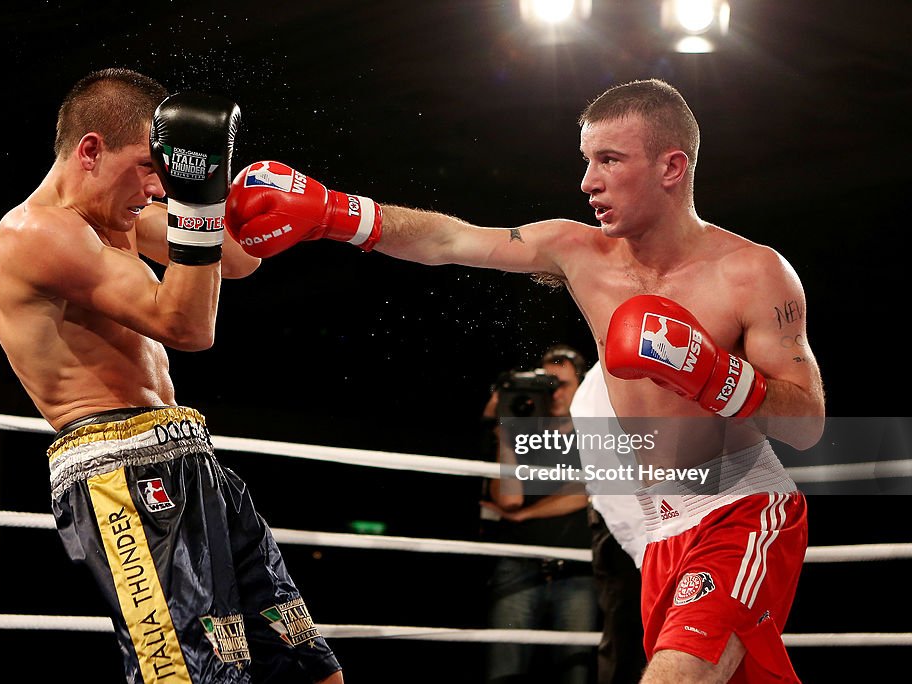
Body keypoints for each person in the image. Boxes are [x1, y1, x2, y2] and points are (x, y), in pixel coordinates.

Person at [227, 79, 826, 682]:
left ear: (672, 166)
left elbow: (806, 424)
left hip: (740, 507)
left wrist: (713, 375)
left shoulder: (752, 272)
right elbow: (452, 240)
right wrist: (335, 212)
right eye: (586, 161)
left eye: (609, 160)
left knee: (677, 674)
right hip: (657, 530)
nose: (588, 182)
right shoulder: (578, 251)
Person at [0, 68, 343, 684]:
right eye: (149, 167)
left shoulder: (120, 211)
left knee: (306, 665)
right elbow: (185, 326)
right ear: (91, 149)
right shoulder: (37, 233)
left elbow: (236, 261)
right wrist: (198, 202)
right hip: (120, 472)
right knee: (191, 676)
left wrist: (222, 191)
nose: (157, 188)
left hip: (189, 455)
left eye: (167, 171)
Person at [479, 345, 597, 684]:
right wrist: (503, 433)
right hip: (518, 566)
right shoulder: (521, 430)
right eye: (547, 383)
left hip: (576, 571)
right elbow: (511, 499)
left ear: (581, 386)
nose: (555, 392)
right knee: (505, 671)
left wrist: (524, 516)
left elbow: (587, 490)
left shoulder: (598, 432)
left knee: (575, 672)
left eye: (562, 383)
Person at [572, 363, 648, 684]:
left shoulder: (681, 359)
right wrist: (647, 550)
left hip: (680, 530)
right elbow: (609, 483)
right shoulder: (597, 384)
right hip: (628, 534)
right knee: (625, 641)